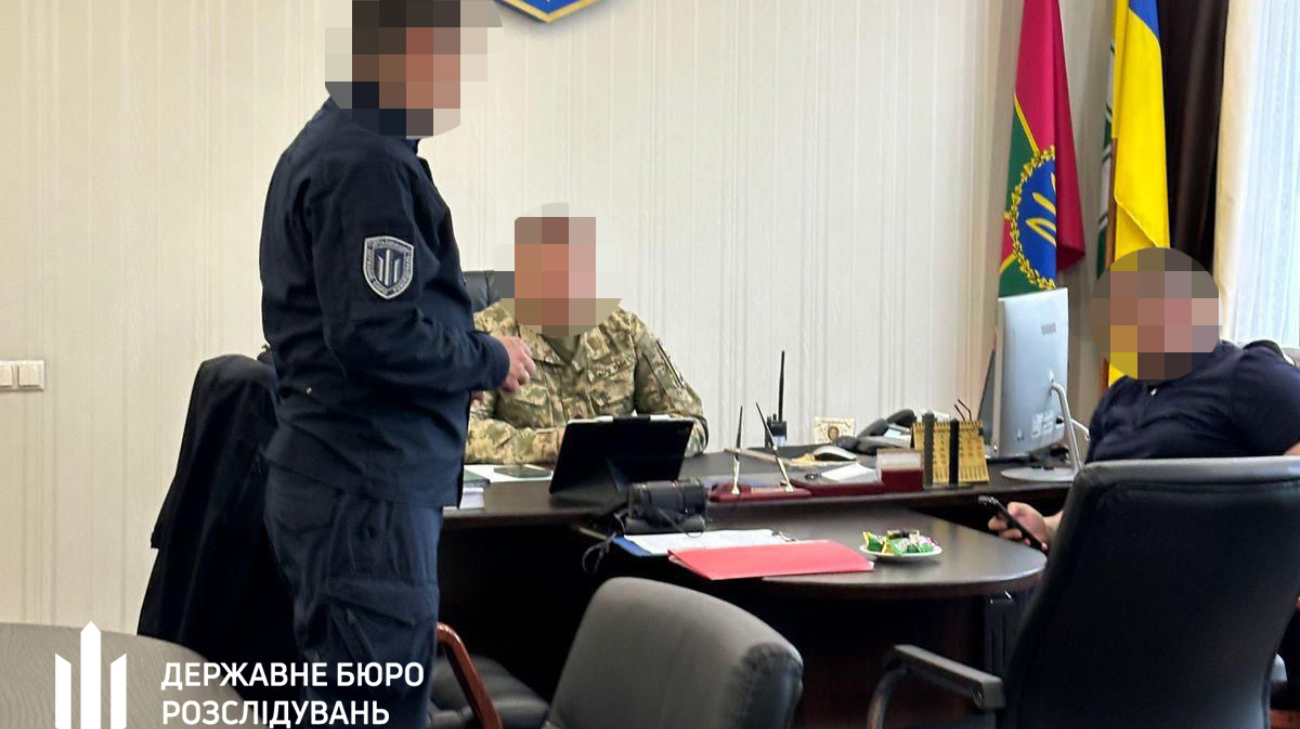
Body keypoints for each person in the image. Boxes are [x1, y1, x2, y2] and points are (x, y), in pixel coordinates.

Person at [258, 2, 535, 725]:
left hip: (345, 488)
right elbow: (376, 334)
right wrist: (487, 357)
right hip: (366, 500)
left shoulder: (343, 143)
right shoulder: (368, 161)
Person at [990, 249, 1300, 548]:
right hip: (1106, 564)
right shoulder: (1120, 396)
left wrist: (1261, 539)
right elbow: (1089, 504)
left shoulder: (1244, 373)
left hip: (1200, 568)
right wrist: (1047, 527)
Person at [465, 204, 708, 464]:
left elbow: (690, 422)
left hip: (613, 483)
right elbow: (464, 434)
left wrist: (629, 445)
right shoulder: (487, 333)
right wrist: (556, 444)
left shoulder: (625, 332)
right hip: (529, 487)